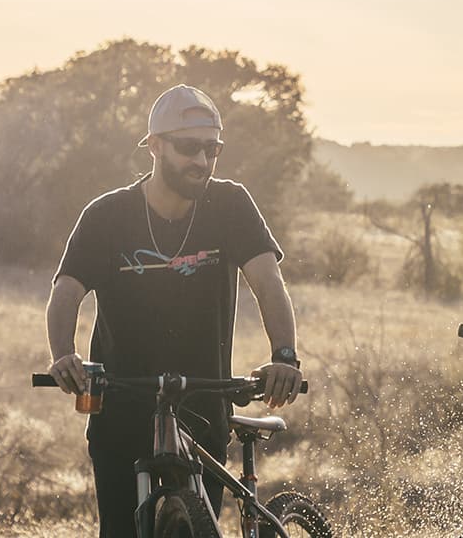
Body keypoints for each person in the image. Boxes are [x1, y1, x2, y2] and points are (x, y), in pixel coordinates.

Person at [44, 84, 306, 538]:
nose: (201, 161)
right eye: (189, 148)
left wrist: (284, 356)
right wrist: (63, 355)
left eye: (212, 149)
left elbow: (268, 282)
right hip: (121, 406)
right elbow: (65, 292)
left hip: (204, 402)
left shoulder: (231, 204)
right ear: (155, 145)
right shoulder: (107, 215)